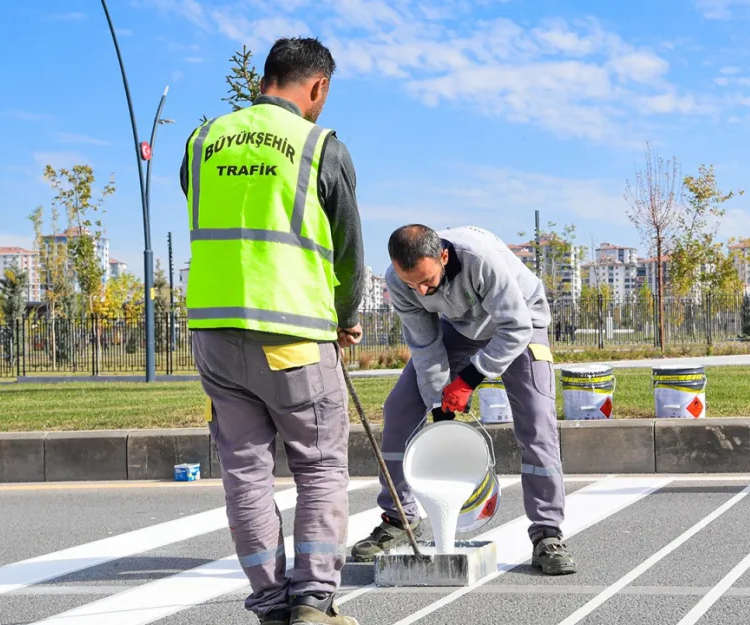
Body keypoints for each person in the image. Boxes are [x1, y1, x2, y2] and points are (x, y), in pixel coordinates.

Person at [178, 36, 364, 625]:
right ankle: (312, 602)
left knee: (245, 471)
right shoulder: (320, 146)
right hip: (293, 335)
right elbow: (348, 250)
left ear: (265, 79)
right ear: (318, 88)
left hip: (214, 333)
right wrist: (346, 317)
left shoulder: (202, 141)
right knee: (320, 466)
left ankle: (269, 605)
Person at [350, 224, 576, 576]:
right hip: (461, 328)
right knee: (399, 410)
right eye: (412, 284)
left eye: (426, 280)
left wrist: (469, 378)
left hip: (522, 321)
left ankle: (547, 533)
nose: (421, 290)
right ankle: (400, 518)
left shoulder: (479, 259)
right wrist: (441, 406)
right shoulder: (400, 282)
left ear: (443, 256)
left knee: (537, 422)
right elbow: (425, 347)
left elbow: (514, 328)